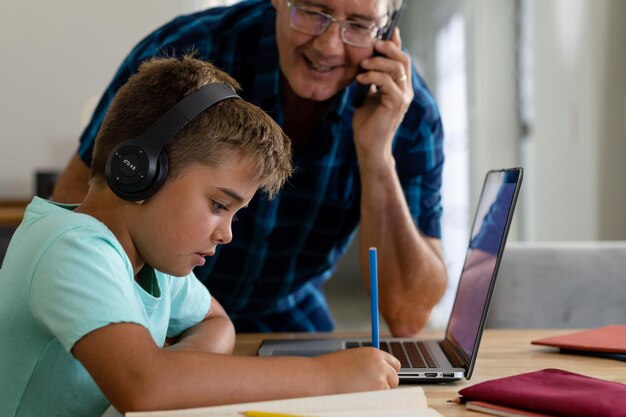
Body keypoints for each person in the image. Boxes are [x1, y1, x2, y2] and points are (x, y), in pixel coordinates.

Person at [0, 56, 400, 417]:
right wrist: (326, 376)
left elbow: (214, 320)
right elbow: (146, 386)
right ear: (139, 172)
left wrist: (183, 374)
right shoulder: (71, 248)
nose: (226, 234)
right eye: (218, 205)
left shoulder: (151, 261)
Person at [52, 0, 448, 336]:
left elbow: (408, 314)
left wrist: (377, 154)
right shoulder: (187, 52)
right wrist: (134, 319)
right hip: (162, 302)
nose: (329, 46)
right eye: (313, 11)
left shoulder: (408, 113)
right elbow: (82, 201)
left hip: (283, 310)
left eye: (359, 26)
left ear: (386, 32)